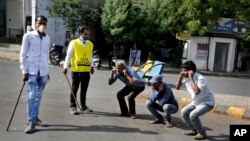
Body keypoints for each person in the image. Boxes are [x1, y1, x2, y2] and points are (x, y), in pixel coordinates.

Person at [20, 15, 50, 134]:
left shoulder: (47, 38)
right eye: (39, 22)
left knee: (38, 97)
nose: (41, 25)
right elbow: (23, 54)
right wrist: (24, 70)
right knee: (32, 96)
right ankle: (31, 121)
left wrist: (47, 72)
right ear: (35, 23)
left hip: (43, 72)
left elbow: (46, 55)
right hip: (31, 71)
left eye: (43, 23)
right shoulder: (28, 36)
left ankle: (35, 118)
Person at [176, 60, 215, 140]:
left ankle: (202, 133)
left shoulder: (200, 78)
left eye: (185, 71)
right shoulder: (186, 78)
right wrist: (180, 77)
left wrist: (190, 78)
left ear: (191, 71)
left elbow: (196, 91)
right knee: (184, 112)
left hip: (207, 102)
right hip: (196, 102)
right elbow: (177, 87)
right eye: (182, 70)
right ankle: (193, 130)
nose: (183, 72)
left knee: (193, 115)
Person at [63, 27, 94, 115]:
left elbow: (90, 56)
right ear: (81, 33)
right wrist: (65, 67)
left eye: (88, 34)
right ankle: (73, 106)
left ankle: (83, 106)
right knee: (74, 88)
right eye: (86, 34)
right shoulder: (74, 42)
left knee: (84, 89)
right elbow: (68, 55)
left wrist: (92, 67)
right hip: (76, 70)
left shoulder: (90, 44)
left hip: (86, 70)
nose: (87, 36)